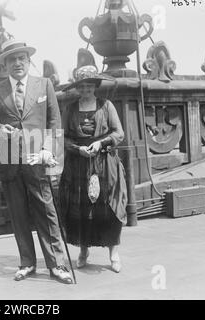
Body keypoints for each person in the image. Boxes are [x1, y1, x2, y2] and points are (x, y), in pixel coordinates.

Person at [0, 39, 73, 284]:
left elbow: (54, 121)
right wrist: (0, 128)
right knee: (18, 214)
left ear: (28, 61)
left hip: (38, 159)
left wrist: (47, 150)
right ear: (5, 65)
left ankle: (57, 264)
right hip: (9, 161)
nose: (17, 63)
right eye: (12, 59)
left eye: (22, 58)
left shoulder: (43, 85)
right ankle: (27, 263)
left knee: (47, 211)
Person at [58, 65, 127, 273]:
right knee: (82, 209)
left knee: (108, 207)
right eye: (82, 87)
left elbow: (119, 133)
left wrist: (101, 143)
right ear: (77, 89)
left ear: (95, 87)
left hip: (105, 163)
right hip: (78, 164)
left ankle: (113, 253)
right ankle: (83, 250)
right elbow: (62, 136)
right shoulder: (70, 108)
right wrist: (77, 149)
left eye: (90, 86)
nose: (86, 90)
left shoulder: (106, 106)